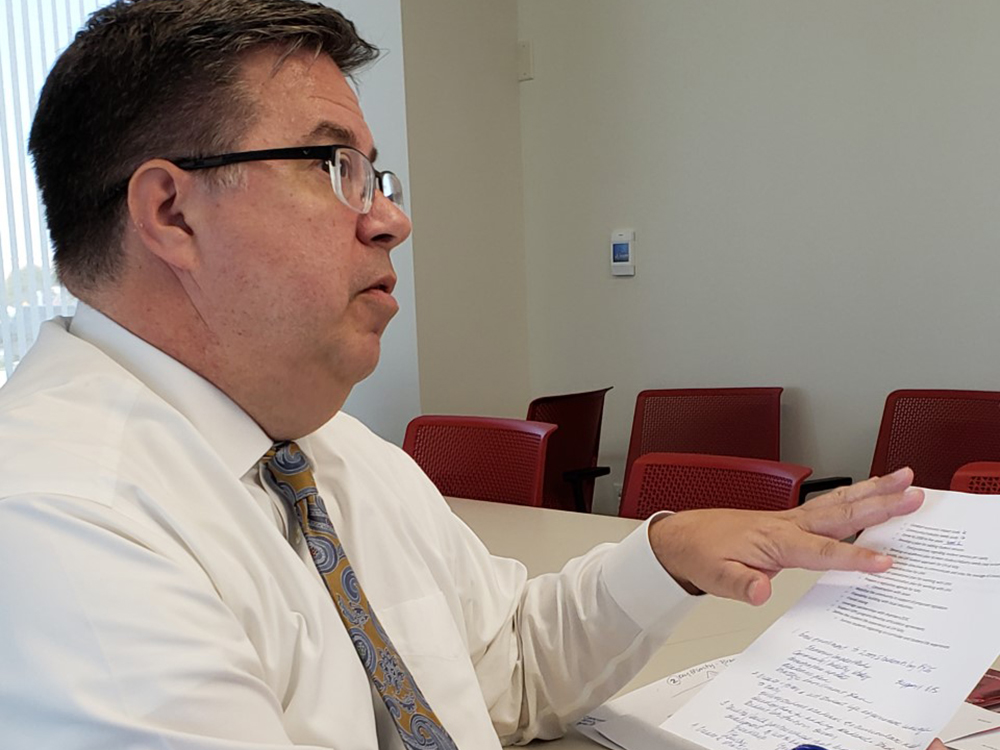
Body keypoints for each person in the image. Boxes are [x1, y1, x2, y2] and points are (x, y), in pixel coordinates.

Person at [0, 1, 932, 748]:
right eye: (337, 166)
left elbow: (504, 670)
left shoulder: (328, 449)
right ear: (172, 212)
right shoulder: (53, 519)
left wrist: (668, 552)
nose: (389, 219)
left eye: (378, 177)